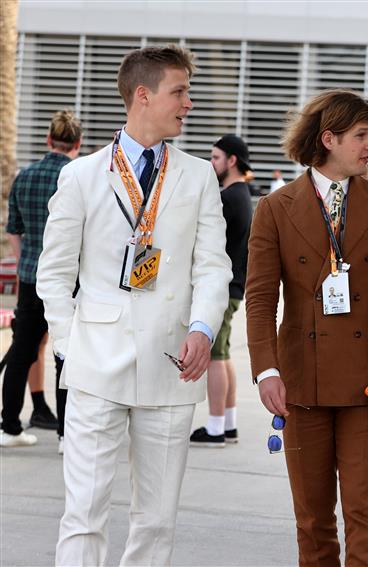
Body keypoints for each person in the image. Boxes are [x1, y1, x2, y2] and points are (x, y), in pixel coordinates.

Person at [37, 45, 231, 565]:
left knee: (156, 521)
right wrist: (69, 344)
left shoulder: (198, 175)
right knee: (84, 513)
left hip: (173, 365)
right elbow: (53, 273)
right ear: (143, 96)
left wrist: (203, 328)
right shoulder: (80, 175)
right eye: (180, 91)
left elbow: (213, 266)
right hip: (94, 363)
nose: (188, 103)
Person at [245, 88, 368, 566]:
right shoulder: (275, 208)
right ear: (329, 138)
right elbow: (260, 300)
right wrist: (266, 371)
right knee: (312, 517)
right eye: (362, 136)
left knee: (364, 509)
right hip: (301, 380)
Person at [2, 109, 82, 448]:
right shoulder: (79, 176)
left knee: (22, 351)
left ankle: (10, 427)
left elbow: (14, 231)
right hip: (69, 279)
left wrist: (26, 266)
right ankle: (66, 434)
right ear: (77, 144)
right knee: (67, 353)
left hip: (33, 277)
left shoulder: (25, 176)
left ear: (49, 140)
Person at [190, 134, 254, 447]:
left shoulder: (228, 199)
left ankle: (215, 427)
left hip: (222, 287)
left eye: (216, 158)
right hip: (234, 285)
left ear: (232, 161)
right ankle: (227, 424)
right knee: (224, 353)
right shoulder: (242, 195)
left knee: (215, 355)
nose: (211, 163)